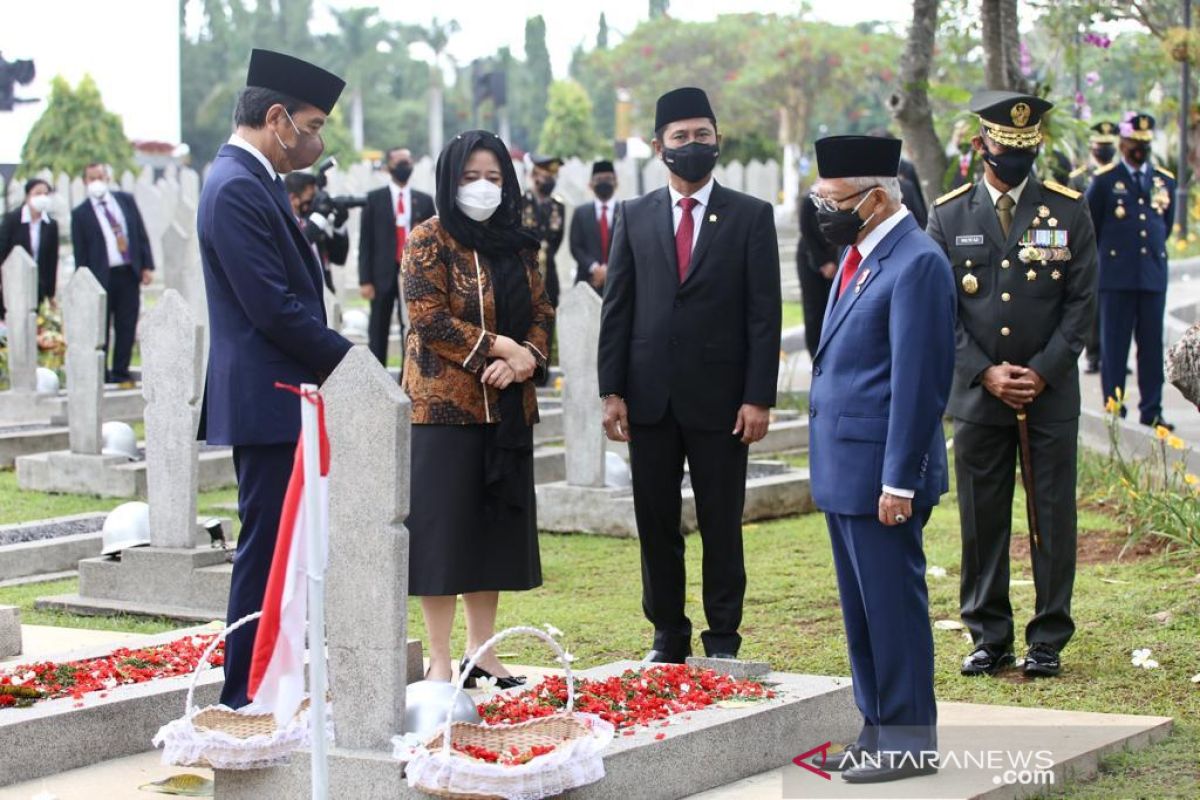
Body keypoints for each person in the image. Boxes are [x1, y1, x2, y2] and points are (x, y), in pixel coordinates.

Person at [598, 87, 781, 663]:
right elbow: (618, 308)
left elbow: (764, 314)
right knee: (656, 524)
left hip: (722, 403)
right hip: (649, 400)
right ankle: (668, 634)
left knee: (721, 524)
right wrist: (612, 390)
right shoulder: (633, 215)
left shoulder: (752, 217)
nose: (693, 145)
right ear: (659, 147)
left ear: (717, 141)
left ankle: (723, 637)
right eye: (681, 137)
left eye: (703, 135)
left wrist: (757, 397)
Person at [197, 49, 351, 708]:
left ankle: (268, 685)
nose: (316, 141)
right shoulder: (235, 185)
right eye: (311, 124)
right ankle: (244, 695)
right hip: (269, 398)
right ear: (277, 117)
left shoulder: (252, 179)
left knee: (283, 550)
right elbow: (270, 306)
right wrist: (350, 361)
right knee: (265, 552)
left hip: (282, 395)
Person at [927, 91, 1098, 680]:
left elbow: (1081, 304)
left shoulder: (1069, 211)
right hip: (979, 395)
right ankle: (988, 634)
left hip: (1048, 395)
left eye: (1027, 148)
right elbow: (939, 310)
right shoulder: (948, 215)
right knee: (981, 518)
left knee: (1052, 516)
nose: (1016, 158)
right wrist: (985, 371)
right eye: (1005, 147)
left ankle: (1048, 636)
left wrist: (1043, 371)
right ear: (981, 146)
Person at [806, 134, 954, 784]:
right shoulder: (861, 256)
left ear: (873, 198)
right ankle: (876, 727)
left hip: (881, 477)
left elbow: (918, 382)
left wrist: (901, 478)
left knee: (894, 608)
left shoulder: (916, 261)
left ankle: (911, 739)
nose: (824, 211)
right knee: (862, 613)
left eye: (833, 200)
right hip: (846, 471)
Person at [402, 130, 553, 686]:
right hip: (443, 413)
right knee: (444, 538)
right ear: (449, 180)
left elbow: (542, 309)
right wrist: (499, 347)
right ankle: (440, 661)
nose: (483, 187)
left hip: (507, 410)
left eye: (493, 177)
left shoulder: (516, 244)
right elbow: (428, 317)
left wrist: (525, 359)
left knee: (490, 533)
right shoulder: (429, 239)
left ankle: (482, 652)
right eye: (471, 178)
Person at [1086, 112, 1176, 430]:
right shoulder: (1105, 180)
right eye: (1134, 143)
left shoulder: (1163, 180)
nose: (1140, 149)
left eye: (1144, 144)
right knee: (1115, 345)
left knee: (1151, 347)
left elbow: (1163, 227)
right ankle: (1115, 407)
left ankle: (1152, 409)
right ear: (1123, 144)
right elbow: (1090, 226)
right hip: (1116, 276)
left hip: (1151, 274)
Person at [71, 163, 154, 384]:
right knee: (101, 326)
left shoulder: (125, 200)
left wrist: (146, 265)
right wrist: (83, 282)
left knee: (126, 324)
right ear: (85, 182)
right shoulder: (80, 214)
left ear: (108, 177)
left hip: (128, 272)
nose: (97, 181)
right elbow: (81, 252)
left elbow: (139, 233)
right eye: (91, 178)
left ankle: (120, 371)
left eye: (100, 176)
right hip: (101, 277)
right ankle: (102, 373)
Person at [359, 146, 435, 366]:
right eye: (400, 163)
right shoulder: (373, 199)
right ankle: (377, 376)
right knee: (379, 326)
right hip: (381, 271)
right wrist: (365, 279)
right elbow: (366, 242)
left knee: (411, 325)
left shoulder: (424, 200)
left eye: (408, 162)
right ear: (389, 166)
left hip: (413, 271)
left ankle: (408, 377)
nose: (405, 167)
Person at [1070, 121, 1119, 374]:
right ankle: (1093, 354)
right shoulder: (1079, 178)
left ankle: (1109, 354)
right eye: (1100, 146)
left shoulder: (1116, 177)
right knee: (1092, 306)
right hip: (1090, 248)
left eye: (1108, 146)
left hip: (1110, 252)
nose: (1104, 150)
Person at [521, 154, 564, 384]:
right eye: (545, 175)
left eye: (552, 176)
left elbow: (556, 241)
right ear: (534, 175)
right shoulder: (521, 203)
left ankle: (542, 371)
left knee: (547, 318)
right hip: (525, 271)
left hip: (550, 273)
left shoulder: (558, 206)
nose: (548, 180)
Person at [0, 178, 59, 319]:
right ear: (27, 196)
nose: (42, 197)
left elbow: (52, 261)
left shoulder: (50, 225)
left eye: (46, 194)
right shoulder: (12, 220)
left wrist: (50, 294)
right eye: (38, 193)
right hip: (12, 283)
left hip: (38, 286)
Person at [283, 170, 348, 292]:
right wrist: (319, 216)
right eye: (310, 199)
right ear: (293, 198)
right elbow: (297, 247)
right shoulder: (284, 225)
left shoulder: (312, 224)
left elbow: (339, 258)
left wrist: (339, 225)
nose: (314, 204)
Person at [796, 182, 836, 357]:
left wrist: (834, 261)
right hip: (810, 258)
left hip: (834, 259)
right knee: (814, 308)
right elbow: (807, 233)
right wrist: (823, 262)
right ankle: (815, 353)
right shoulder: (809, 200)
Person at [568, 160, 619, 294]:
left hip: (619, 281)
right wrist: (595, 268)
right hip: (587, 280)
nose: (603, 182)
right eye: (598, 179)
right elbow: (575, 246)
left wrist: (609, 270)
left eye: (608, 178)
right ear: (590, 184)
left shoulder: (626, 212)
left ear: (616, 182)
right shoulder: (580, 213)